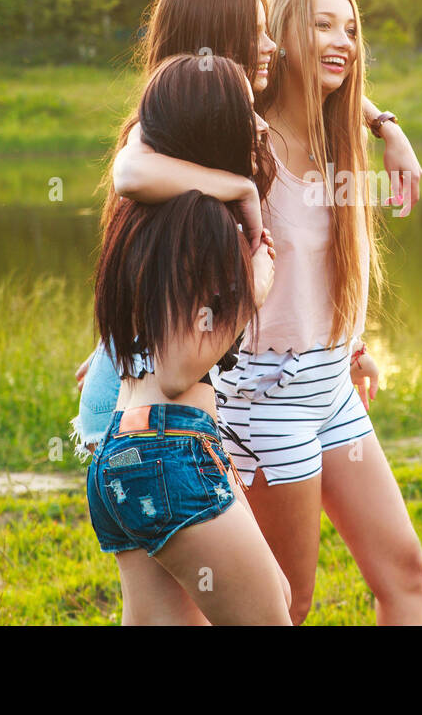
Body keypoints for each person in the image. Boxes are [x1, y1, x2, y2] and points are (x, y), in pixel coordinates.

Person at [110, 0, 422, 625]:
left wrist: (384, 122)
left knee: (405, 571)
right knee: (287, 603)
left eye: (351, 28)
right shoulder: (242, 141)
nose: (342, 40)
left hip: (332, 386)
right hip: (266, 398)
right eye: (321, 26)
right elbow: (134, 176)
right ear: (279, 40)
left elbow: (315, 271)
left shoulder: (336, 135)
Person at [85, 52, 290, 625]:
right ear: (216, 124)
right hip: (168, 449)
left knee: (268, 590)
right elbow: (177, 369)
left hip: (123, 451)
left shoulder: (144, 214)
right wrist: (255, 289)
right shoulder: (202, 218)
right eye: (245, 110)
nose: (258, 122)